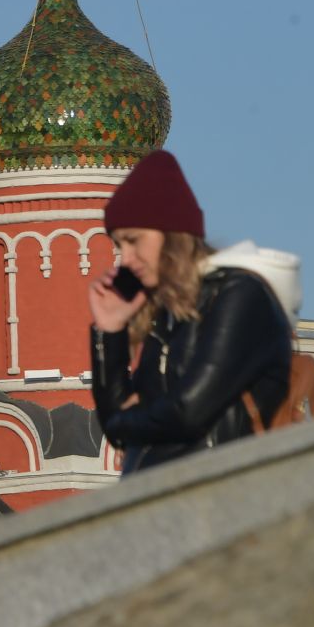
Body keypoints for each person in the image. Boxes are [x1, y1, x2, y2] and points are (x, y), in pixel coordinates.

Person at [88, 150, 292, 475]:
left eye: (133, 241)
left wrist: (127, 420)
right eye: (119, 245)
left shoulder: (239, 295)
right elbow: (116, 432)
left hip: (222, 494)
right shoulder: (167, 316)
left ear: (170, 232)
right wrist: (109, 330)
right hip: (160, 498)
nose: (125, 259)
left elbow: (188, 413)